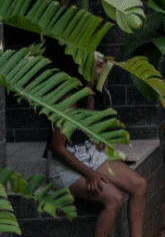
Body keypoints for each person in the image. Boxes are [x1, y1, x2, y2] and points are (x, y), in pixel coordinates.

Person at [47, 92, 149, 237]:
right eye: (99, 68)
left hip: (89, 155)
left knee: (139, 185)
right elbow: (58, 147)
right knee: (114, 199)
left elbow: (89, 135)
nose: (102, 75)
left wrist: (105, 137)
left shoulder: (91, 95)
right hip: (65, 167)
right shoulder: (68, 98)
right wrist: (89, 173)